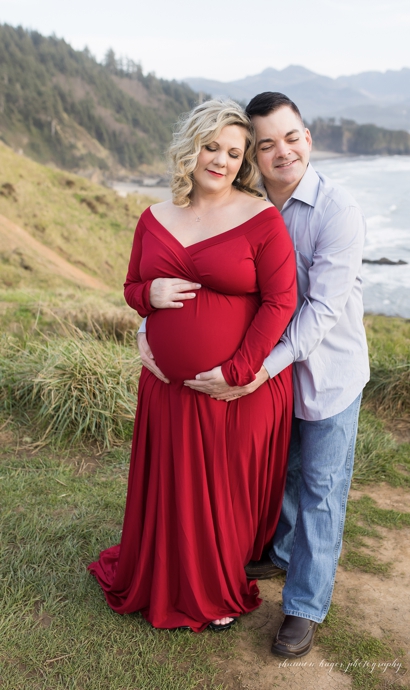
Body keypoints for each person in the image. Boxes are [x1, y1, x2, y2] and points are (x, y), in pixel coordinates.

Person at [91, 99, 296, 633]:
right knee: (170, 491)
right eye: (212, 147)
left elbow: (281, 301)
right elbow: (132, 289)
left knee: (218, 495)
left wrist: (238, 371)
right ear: (191, 148)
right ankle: (161, 577)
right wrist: (149, 294)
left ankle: (210, 591)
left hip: (229, 389)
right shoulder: (153, 217)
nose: (221, 161)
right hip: (164, 385)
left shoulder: (261, 218)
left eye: (234, 152)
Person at [179, 91, 371, 659]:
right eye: (267, 145)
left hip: (327, 372)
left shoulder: (338, 211)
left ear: (307, 138)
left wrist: (260, 368)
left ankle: (304, 606)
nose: (282, 152)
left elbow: (321, 311)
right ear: (254, 158)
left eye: (291, 138)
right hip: (272, 374)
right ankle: (284, 553)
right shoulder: (251, 209)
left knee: (321, 490)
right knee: (280, 473)